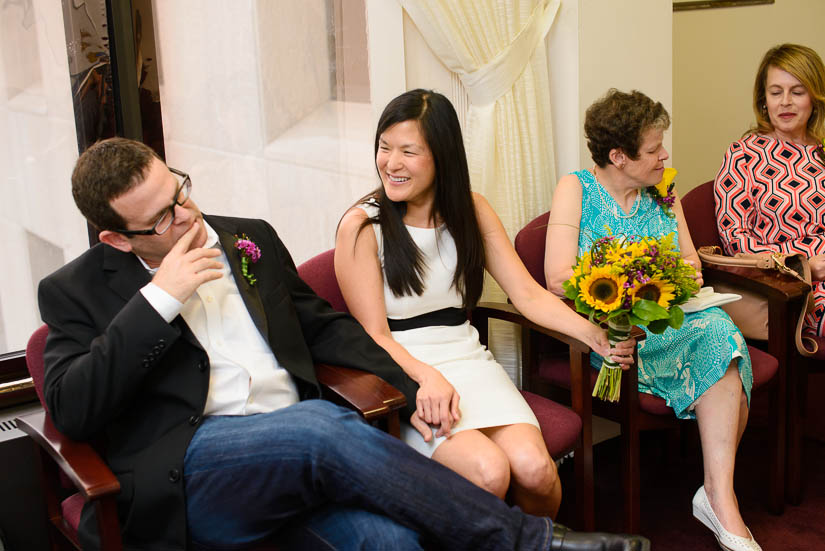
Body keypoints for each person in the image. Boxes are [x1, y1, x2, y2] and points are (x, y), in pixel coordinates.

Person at [40, 137, 651, 551]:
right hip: (197, 475)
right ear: (117, 239)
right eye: (163, 219)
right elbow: (72, 406)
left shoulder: (246, 238)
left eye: (180, 191)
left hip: (307, 461)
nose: (188, 215)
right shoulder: (75, 291)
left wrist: (415, 386)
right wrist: (160, 299)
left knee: (395, 543)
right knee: (317, 428)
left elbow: (326, 327)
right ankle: (534, 543)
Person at [335, 89, 635, 518]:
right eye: (384, 148)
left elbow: (527, 293)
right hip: (407, 373)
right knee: (489, 473)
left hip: (468, 358)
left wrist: (595, 335)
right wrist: (426, 380)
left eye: (408, 151)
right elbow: (373, 335)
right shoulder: (363, 225)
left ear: (442, 156)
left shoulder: (471, 210)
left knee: (536, 471)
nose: (391, 163)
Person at [544, 90, 760, 551]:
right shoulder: (576, 189)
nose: (665, 156)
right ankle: (718, 499)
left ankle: (719, 498)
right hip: (611, 338)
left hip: (670, 325)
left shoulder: (664, 190)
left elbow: (690, 268)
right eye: (653, 149)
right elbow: (558, 279)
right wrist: (632, 285)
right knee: (723, 343)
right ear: (618, 157)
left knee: (722, 335)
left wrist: (662, 281)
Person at [715, 43, 825, 338]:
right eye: (776, 92)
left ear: (814, 97)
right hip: (792, 289)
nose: (785, 102)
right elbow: (735, 242)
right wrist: (803, 267)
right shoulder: (743, 155)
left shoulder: (822, 151)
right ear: (763, 100)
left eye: (797, 92)